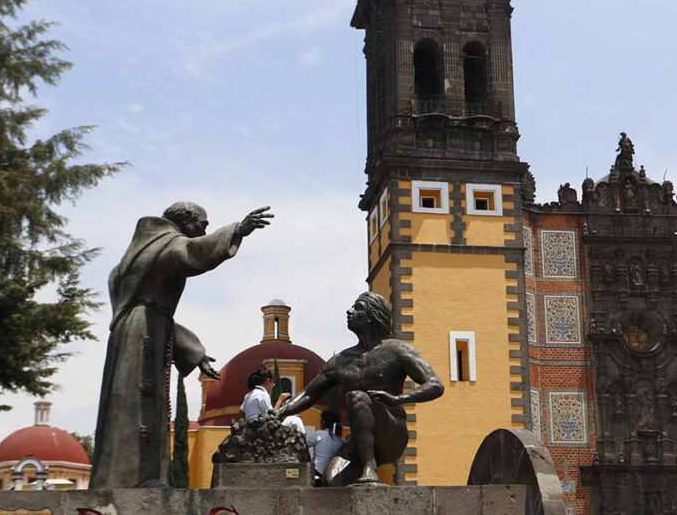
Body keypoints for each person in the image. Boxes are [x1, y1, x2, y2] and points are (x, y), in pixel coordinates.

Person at [90, 202, 273, 489]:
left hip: (141, 329)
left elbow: (154, 307)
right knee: (140, 404)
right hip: (144, 333)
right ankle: (134, 479)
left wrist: (192, 351)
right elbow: (191, 253)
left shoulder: (138, 254)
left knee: (135, 403)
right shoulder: (165, 244)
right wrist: (238, 230)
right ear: (185, 221)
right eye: (202, 223)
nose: (204, 230)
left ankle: (130, 477)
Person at [277, 292, 444, 486]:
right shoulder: (341, 361)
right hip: (358, 441)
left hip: (391, 429)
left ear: (372, 315)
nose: (349, 311)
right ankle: (365, 465)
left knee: (356, 397)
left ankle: (369, 468)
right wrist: (279, 412)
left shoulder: (397, 350)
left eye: (358, 308)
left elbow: (435, 385)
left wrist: (399, 399)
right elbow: (308, 394)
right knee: (331, 483)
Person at [307, 411, 344, 486]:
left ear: (323, 422)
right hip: (333, 475)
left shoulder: (318, 434)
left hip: (317, 473)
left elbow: (302, 446)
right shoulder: (341, 440)